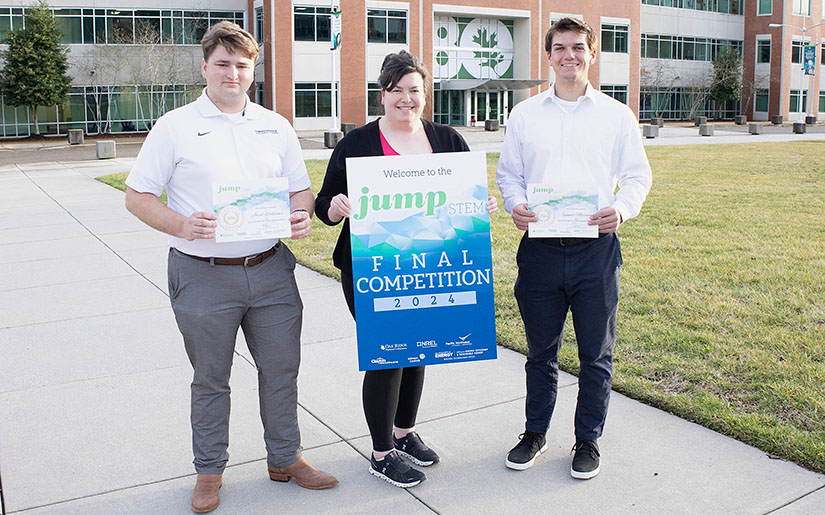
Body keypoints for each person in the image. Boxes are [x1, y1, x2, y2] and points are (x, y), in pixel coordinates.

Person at [124, 21, 337, 513]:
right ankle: (209, 472)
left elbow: (298, 190)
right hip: (203, 273)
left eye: (242, 65)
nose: (232, 73)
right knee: (211, 378)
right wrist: (180, 225)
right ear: (205, 67)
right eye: (223, 63)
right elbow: (137, 196)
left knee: (282, 370)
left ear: (253, 70)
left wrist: (300, 214)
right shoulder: (175, 125)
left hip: (269, 270)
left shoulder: (274, 125)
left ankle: (286, 458)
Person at [315, 50, 496, 488]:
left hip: (433, 265)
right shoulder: (356, 144)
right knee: (388, 353)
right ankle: (381, 453)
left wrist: (481, 206)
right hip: (371, 267)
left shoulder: (448, 139)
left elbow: (464, 198)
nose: (406, 99)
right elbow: (323, 203)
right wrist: (336, 207)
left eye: (414, 90)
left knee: (421, 348)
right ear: (382, 95)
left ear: (425, 94)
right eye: (396, 91)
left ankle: (403, 432)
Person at [496, 17, 652, 480]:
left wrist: (621, 209)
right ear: (548, 56)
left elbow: (639, 176)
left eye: (578, 47)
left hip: (595, 251)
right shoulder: (525, 115)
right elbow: (509, 175)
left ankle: (588, 440)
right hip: (540, 250)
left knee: (595, 355)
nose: (569, 55)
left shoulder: (616, 116)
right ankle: (535, 433)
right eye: (560, 47)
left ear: (592, 53)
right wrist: (516, 204)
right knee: (540, 353)